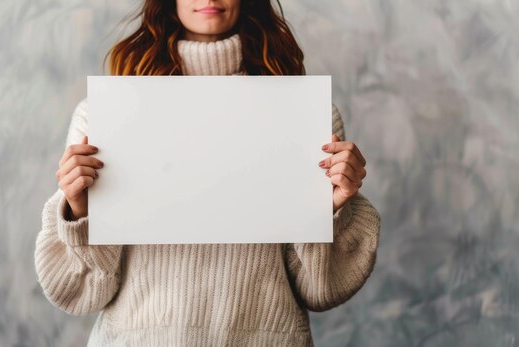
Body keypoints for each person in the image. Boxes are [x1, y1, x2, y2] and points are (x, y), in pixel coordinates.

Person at [34, 0, 381, 346]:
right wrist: (78, 209)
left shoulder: (305, 114)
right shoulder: (105, 115)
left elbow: (321, 289)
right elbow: (78, 293)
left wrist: (333, 209)